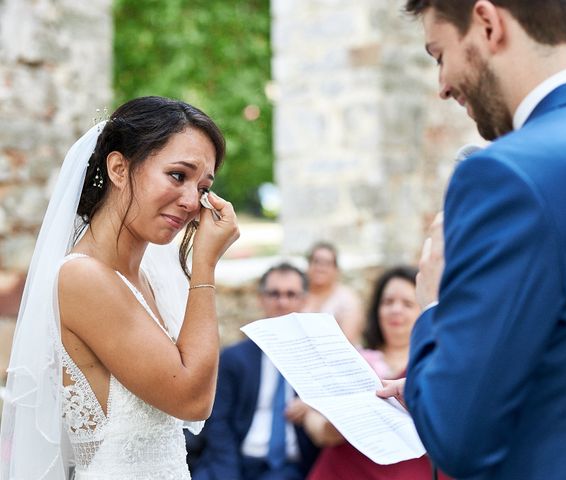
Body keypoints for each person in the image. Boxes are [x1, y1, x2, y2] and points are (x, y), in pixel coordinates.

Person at [378, 1, 566, 479]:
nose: (442, 86)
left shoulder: (505, 174)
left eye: (439, 55)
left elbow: (457, 438)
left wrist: (435, 306)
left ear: (487, 23)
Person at [0, 96, 240, 479]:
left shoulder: (151, 278)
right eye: (178, 175)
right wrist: (205, 266)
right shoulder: (84, 278)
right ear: (118, 168)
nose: (192, 201)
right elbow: (193, 398)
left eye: (203, 187)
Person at [289, 266, 451, 480]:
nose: (395, 310)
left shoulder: (438, 367)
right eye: (388, 302)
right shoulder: (351, 358)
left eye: (407, 303)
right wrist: (331, 424)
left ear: (425, 313)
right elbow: (317, 428)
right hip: (342, 467)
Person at [187, 263, 318, 480]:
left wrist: (315, 404)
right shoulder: (232, 359)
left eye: (291, 294)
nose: (282, 301)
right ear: (261, 299)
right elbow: (219, 423)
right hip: (233, 461)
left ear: (303, 300)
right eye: (274, 294)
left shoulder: (317, 359)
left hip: (288, 467)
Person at [303, 242, 364, 344]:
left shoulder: (347, 298)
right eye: (316, 262)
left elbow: (348, 337)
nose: (320, 268)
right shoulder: (298, 295)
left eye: (327, 263)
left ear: (336, 269)